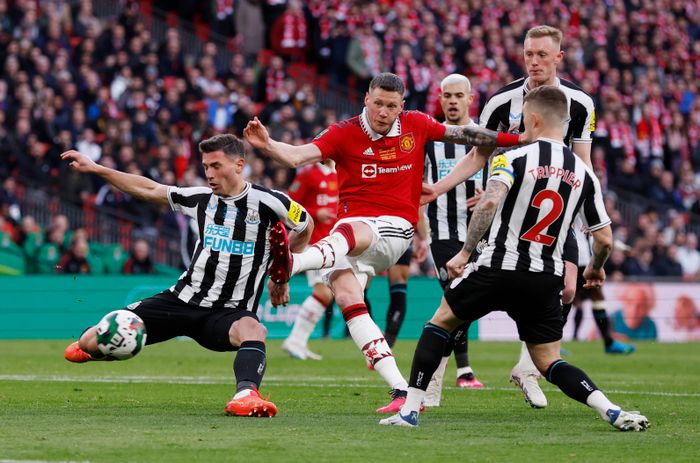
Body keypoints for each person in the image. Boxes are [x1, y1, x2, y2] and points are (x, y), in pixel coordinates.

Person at [244, 72, 522, 412]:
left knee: (347, 234)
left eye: (391, 106)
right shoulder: (343, 132)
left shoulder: (416, 124)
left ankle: (291, 263)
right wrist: (268, 145)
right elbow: (297, 156)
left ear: (401, 106)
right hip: (351, 232)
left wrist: (517, 138)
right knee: (348, 299)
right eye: (378, 104)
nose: (383, 112)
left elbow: (465, 134)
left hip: (394, 228)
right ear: (366, 99)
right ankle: (402, 390)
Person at [380, 85, 648, 432]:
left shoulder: (514, 158)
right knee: (549, 361)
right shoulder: (585, 174)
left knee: (440, 324)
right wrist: (595, 268)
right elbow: (605, 239)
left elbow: (489, 202)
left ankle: (410, 411)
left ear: (533, 119)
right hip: (545, 278)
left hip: (498, 266)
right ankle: (610, 409)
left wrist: (465, 253)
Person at [421, 25, 632, 410]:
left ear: (558, 58)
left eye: (541, 55)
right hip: (505, 211)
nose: (533, 62)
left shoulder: (580, 103)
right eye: (528, 54)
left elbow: (583, 162)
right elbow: (479, 154)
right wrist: (439, 187)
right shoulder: (501, 101)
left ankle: (527, 369)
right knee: (458, 295)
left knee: (567, 290)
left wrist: (589, 215)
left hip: (555, 212)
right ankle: (430, 386)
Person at [61, 134, 313, 418]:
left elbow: (306, 225)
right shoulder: (200, 199)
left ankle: (245, 395)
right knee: (87, 343)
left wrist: (281, 272)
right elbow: (150, 188)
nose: (209, 174)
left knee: (254, 331)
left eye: (216, 166)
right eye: (205, 167)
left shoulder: (271, 202)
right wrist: (97, 168)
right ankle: (95, 348)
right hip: (181, 301)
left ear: (239, 165)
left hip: (228, 313)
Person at [421, 74, 487, 408]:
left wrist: (490, 195)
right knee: (456, 299)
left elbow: (504, 179)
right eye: (447, 95)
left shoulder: (485, 136)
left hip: (482, 235)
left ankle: (528, 369)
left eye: (458, 95)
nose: (452, 101)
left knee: (462, 306)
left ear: (470, 99)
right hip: (443, 232)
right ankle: (438, 381)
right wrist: (420, 234)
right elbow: (419, 185)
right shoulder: (431, 138)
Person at [281, 159, 339, 360]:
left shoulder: (340, 172)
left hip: (332, 243)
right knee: (323, 293)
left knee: (327, 294)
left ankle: (298, 342)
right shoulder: (308, 174)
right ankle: (295, 341)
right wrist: (315, 213)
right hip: (312, 242)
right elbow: (288, 205)